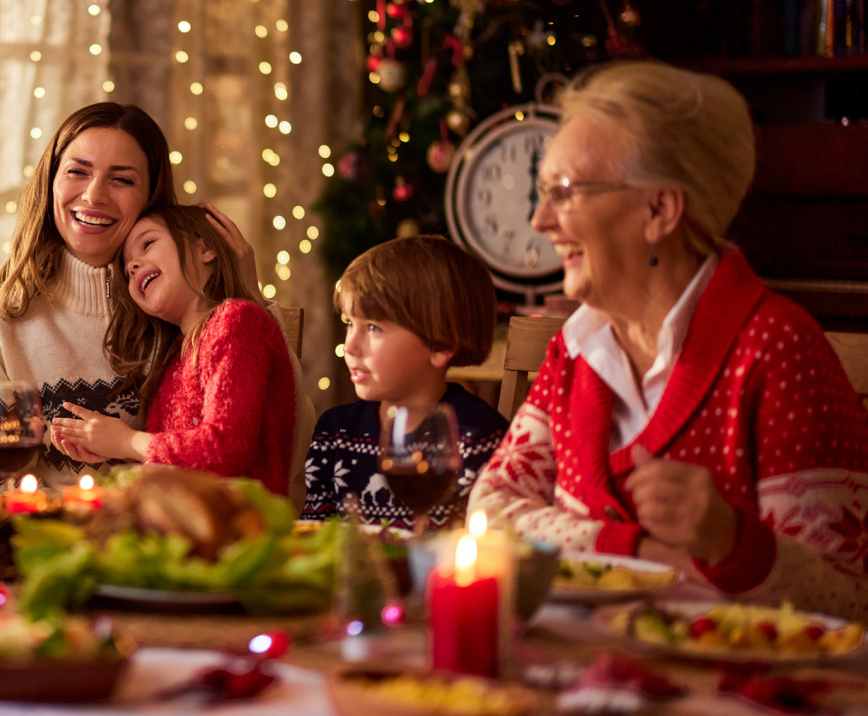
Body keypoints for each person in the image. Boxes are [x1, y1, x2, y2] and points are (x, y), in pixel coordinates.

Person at [468, 60, 868, 619]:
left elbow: (848, 598)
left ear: (659, 209)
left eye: (564, 192)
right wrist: (636, 553)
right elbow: (492, 508)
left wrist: (731, 542)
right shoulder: (576, 351)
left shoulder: (778, 351)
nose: (540, 220)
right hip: (581, 671)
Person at [0, 102, 313, 492]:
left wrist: (248, 297)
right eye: (78, 171)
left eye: (122, 180)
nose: (93, 195)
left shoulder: (177, 318)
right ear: (50, 182)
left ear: (150, 199)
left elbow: (289, 453)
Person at [49, 204, 297, 495]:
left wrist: (126, 442)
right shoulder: (174, 359)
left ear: (205, 248)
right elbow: (172, 460)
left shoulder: (238, 321)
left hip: (241, 527)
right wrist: (113, 451)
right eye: (128, 271)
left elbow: (225, 452)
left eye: (148, 243)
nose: (132, 266)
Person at [299, 236, 507, 529]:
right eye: (349, 323)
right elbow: (314, 536)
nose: (350, 346)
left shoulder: (478, 440)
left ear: (441, 344)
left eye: (373, 327)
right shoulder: (335, 431)